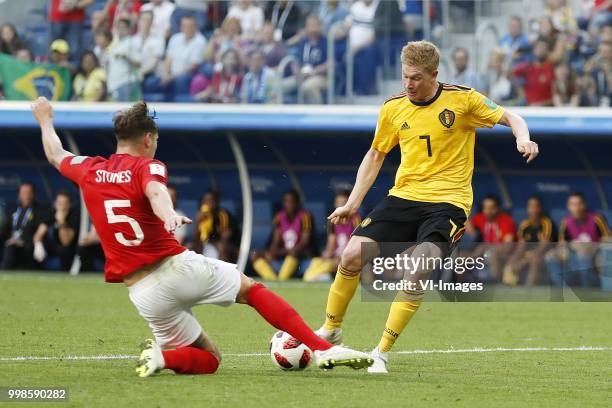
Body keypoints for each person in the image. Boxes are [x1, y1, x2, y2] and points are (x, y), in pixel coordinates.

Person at [31, 97, 372, 376]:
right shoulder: (148, 166)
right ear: (147, 139)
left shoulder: (90, 169)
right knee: (252, 291)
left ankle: (163, 359)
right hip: (174, 268)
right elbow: (155, 192)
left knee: (209, 359)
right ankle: (325, 349)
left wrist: (46, 120)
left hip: (142, 292)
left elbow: (54, 154)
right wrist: (168, 215)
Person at [315, 40, 538, 374]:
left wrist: (523, 137)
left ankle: (381, 352)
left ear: (434, 74)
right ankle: (331, 329)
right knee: (350, 255)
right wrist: (353, 202)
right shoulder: (393, 107)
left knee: (418, 267)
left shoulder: (463, 100)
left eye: (416, 78)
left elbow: (512, 116)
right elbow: (376, 154)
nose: (408, 84)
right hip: (404, 196)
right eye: (405, 76)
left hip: (448, 203)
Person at [545, 192, 610, 287]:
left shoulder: (597, 218)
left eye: (579, 204)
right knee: (550, 256)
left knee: (583, 253)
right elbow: (561, 244)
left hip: (595, 252)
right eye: (573, 205)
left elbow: (607, 239)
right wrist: (571, 246)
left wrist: (590, 246)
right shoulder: (566, 221)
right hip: (573, 252)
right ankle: (561, 289)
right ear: (568, 206)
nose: (577, 208)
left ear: (584, 205)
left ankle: (587, 290)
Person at [250, 190, 315, 280]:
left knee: (294, 252)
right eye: (286, 201)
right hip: (284, 254)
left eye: (292, 201)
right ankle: (272, 279)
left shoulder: (305, 216)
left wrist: (280, 251)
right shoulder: (279, 216)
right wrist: (272, 252)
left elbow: (304, 243)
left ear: (297, 202)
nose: (289, 204)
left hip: (301, 254)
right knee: (255, 255)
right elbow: (275, 242)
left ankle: (281, 280)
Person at [303, 191, 361, 282]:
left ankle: (316, 277)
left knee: (332, 264)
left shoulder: (355, 218)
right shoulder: (332, 221)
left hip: (349, 257)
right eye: (338, 203)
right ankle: (322, 277)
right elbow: (331, 242)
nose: (340, 206)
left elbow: (355, 243)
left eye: (343, 203)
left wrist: (343, 256)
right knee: (316, 261)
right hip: (335, 256)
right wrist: (327, 254)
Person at [503, 196, 555, 286]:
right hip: (527, 254)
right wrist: (516, 258)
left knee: (534, 260)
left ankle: (529, 288)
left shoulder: (546, 222)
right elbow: (521, 246)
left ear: (540, 208)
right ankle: (508, 285)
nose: (533, 209)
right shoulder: (524, 224)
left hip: (543, 255)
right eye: (530, 206)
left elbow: (544, 245)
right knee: (512, 258)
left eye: (536, 206)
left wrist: (525, 261)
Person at [467, 195, 516, 281]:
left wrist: (488, 249)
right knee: (472, 254)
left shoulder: (507, 220)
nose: (488, 211)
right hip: (485, 249)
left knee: (491, 253)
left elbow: (508, 244)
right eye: (485, 208)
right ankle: (463, 281)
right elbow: (470, 230)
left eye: (491, 208)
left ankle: (496, 282)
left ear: (497, 208)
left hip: (503, 251)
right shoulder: (480, 217)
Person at [1, 182, 47, 270]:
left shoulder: (40, 210)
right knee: (10, 247)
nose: (26, 195)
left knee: (11, 249)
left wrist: (21, 241)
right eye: (23, 193)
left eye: (28, 193)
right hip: (11, 242)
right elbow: (5, 228)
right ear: (19, 194)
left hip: (29, 244)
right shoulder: (12, 208)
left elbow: (38, 230)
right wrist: (10, 239)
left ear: (33, 194)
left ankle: (4, 272)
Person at [32, 191, 79, 271]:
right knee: (36, 248)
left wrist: (61, 221)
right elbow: (39, 234)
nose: (61, 207)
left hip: (71, 248)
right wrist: (38, 245)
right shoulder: (52, 212)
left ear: (69, 205)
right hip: (54, 245)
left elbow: (65, 242)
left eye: (64, 204)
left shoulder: (74, 215)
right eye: (59, 203)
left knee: (64, 251)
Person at [191, 189, 239, 262]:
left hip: (230, 246)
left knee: (221, 247)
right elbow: (195, 238)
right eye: (205, 201)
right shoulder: (202, 215)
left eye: (210, 201)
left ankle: (221, 271)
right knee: (190, 246)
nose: (207, 204)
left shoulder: (222, 214)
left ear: (216, 202)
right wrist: (198, 222)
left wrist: (210, 242)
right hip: (209, 244)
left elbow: (225, 239)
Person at [106, 18, 141, 101]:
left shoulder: (132, 42)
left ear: (128, 29)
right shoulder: (114, 43)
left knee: (125, 110)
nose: (121, 30)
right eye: (119, 27)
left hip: (125, 82)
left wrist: (126, 57)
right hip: (113, 82)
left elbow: (138, 64)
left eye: (123, 27)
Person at [512, 39, 555, 106]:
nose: (541, 51)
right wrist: (522, 94)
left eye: (544, 48)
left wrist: (541, 104)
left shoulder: (552, 68)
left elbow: (555, 92)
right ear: (534, 50)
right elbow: (512, 74)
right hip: (528, 107)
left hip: (547, 108)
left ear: (547, 51)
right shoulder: (527, 66)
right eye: (539, 48)